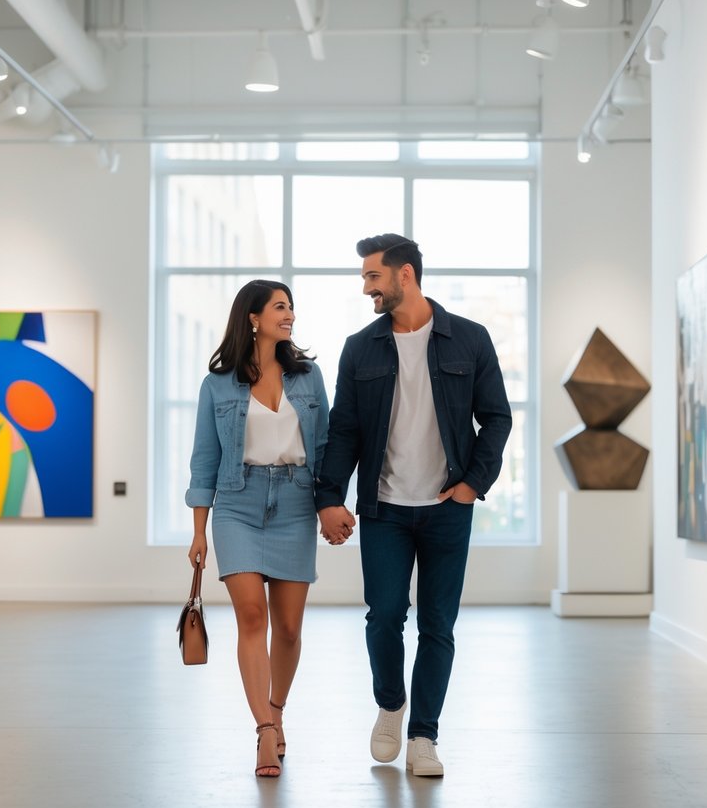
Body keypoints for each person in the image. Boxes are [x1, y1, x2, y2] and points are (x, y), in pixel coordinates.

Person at [315, 234, 512, 777]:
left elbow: (497, 416)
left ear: (405, 275)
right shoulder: (360, 347)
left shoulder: (469, 339)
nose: (366, 289)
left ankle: (424, 735)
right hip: (384, 508)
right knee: (382, 618)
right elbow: (345, 430)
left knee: (438, 625)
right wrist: (329, 497)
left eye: (371, 277)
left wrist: (474, 482)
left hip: (448, 506)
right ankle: (390, 705)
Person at [185, 279, 330, 778]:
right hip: (237, 506)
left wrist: (331, 506)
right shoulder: (217, 384)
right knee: (252, 616)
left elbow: (327, 449)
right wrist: (199, 531)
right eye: (280, 307)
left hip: (294, 504)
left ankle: (278, 708)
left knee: (288, 628)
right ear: (252, 316)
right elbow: (204, 461)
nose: (290, 315)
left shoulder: (309, 378)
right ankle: (264, 731)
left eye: (291, 307)